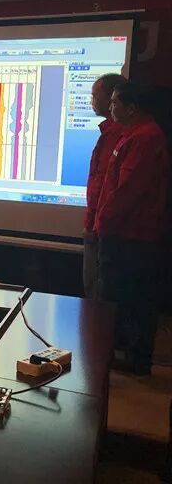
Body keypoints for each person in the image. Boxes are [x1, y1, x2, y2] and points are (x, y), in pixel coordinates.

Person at [96, 80, 169, 375]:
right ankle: (124, 353)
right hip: (126, 233)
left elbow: (127, 190)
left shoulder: (144, 138)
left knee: (134, 299)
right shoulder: (133, 134)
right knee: (123, 297)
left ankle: (136, 359)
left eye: (115, 102)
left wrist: (103, 221)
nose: (110, 107)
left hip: (133, 236)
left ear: (131, 107)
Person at [83, 74, 125, 300]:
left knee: (97, 294)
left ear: (111, 99)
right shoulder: (110, 132)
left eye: (95, 96)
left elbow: (105, 186)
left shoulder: (117, 134)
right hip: (101, 226)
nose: (92, 101)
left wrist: (92, 223)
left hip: (104, 230)